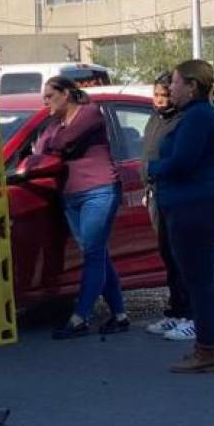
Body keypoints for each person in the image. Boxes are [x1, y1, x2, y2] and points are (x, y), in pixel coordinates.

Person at [148, 60, 214, 373]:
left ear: (192, 86)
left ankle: (207, 351)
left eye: (175, 83)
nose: (170, 89)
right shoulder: (204, 113)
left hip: (194, 204)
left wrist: (152, 169)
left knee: (199, 281)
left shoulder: (198, 116)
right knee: (209, 278)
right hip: (204, 200)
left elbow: (182, 162)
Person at [31, 76, 128, 339]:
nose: (45, 102)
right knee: (97, 254)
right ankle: (120, 315)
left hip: (99, 191)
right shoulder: (55, 124)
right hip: (70, 195)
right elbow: (40, 152)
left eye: (50, 96)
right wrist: (49, 142)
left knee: (93, 254)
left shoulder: (90, 114)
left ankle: (79, 318)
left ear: (67, 94)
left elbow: (61, 145)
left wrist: (51, 143)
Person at [141, 72, 194, 341]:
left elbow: (180, 160)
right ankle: (175, 311)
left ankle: (190, 314)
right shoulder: (155, 118)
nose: (160, 100)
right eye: (157, 95)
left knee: (181, 256)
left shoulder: (183, 120)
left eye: (165, 95)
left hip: (176, 195)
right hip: (157, 194)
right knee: (167, 254)